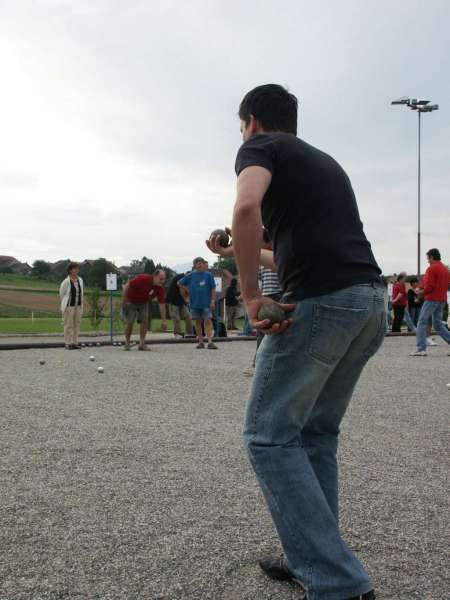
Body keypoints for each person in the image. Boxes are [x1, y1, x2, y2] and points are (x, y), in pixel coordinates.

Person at [208, 84, 383, 600]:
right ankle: (311, 555)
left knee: (267, 436)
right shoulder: (325, 163)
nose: (242, 136)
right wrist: (233, 253)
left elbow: (246, 210)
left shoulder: (260, 147)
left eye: (241, 127)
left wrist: (248, 296)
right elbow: (280, 253)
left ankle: (335, 580)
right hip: (368, 302)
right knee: (314, 435)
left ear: (252, 121)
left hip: (323, 302)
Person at [410, 248, 450, 356]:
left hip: (432, 299)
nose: (428, 260)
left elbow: (430, 286)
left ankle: (421, 348)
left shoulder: (431, 268)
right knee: (438, 325)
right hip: (442, 299)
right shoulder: (445, 269)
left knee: (421, 321)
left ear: (431, 257)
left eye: (428, 258)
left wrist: (420, 292)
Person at [121, 270, 167, 350]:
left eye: (164, 279)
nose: (162, 281)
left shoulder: (159, 288)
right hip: (131, 301)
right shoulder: (143, 279)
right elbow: (127, 286)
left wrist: (163, 320)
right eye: (161, 279)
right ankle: (127, 343)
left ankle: (142, 344)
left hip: (144, 302)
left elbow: (162, 304)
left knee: (145, 321)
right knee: (130, 322)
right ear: (155, 276)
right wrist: (125, 301)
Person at [178, 258, 218, 350]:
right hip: (194, 303)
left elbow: (213, 289)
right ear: (194, 265)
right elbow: (179, 283)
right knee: (197, 322)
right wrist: (186, 294)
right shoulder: (190, 275)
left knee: (208, 320)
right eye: (197, 263)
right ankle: (200, 342)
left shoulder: (208, 275)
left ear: (204, 265)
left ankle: (210, 342)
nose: (199, 265)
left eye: (201, 263)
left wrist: (212, 301)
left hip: (206, 303)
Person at [59, 262, 84, 350]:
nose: (77, 270)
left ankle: (75, 342)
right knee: (68, 324)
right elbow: (62, 294)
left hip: (78, 306)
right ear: (70, 270)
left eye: (78, 268)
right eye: (75, 268)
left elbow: (81, 293)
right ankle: (67, 343)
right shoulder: (66, 282)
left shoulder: (80, 280)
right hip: (69, 306)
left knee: (77, 324)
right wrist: (65, 304)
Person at [166, 273, 193, 338]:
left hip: (181, 302)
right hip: (173, 301)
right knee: (176, 318)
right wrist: (186, 299)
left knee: (188, 317)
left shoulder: (189, 280)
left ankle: (190, 334)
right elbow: (181, 289)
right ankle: (177, 334)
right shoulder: (181, 277)